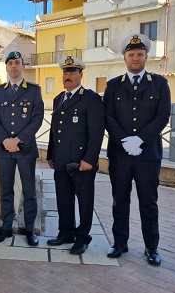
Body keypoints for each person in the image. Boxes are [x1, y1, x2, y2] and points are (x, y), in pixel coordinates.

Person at [104, 34, 171, 266]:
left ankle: (151, 247)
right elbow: (108, 117)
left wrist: (139, 139)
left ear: (146, 57)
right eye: (131, 54)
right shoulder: (113, 85)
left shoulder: (160, 83)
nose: (135, 58)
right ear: (124, 58)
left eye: (139, 54)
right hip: (120, 154)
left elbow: (163, 115)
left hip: (148, 154)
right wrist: (125, 140)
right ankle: (119, 243)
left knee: (148, 202)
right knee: (119, 200)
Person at [46, 56, 104, 255]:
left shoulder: (91, 98)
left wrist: (89, 159)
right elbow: (55, 130)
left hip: (82, 163)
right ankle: (66, 233)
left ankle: (82, 237)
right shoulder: (58, 99)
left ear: (81, 75)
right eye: (65, 72)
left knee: (85, 202)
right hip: (61, 160)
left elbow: (96, 133)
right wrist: (51, 154)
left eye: (72, 72)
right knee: (64, 199)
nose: (68, 76)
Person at [0, 51, 44, 246]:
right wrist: (6, 140)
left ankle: (29, 229)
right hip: (4, 149)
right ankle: (6, 227)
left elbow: (37, 118)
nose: (13, 66)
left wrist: (18, 140)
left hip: (25, 148)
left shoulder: (33, 90)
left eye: (17, 63)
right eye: (10, 63)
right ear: (6, 67)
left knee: (29, 191)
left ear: (23, 66)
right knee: (6, 190)